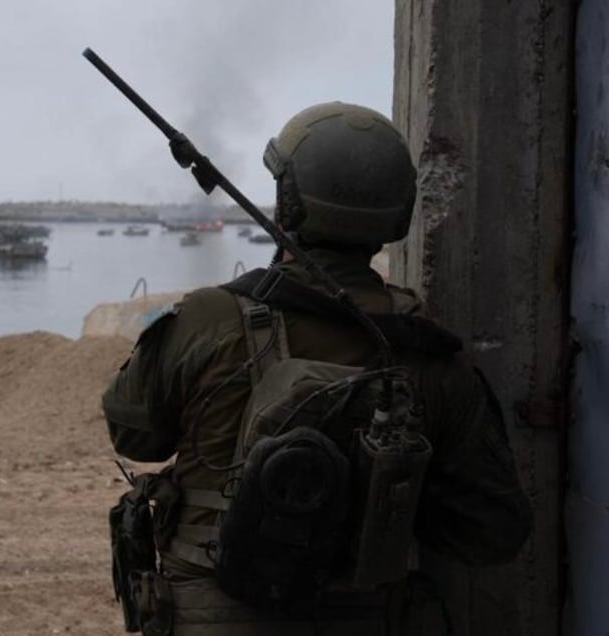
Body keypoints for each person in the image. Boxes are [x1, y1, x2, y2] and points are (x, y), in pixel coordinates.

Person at [102, 102, 533, 635]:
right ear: (397, 217)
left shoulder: (207, 318)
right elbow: (492, 531)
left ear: (287, 204)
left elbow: (133, 434)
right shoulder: (429, 355)